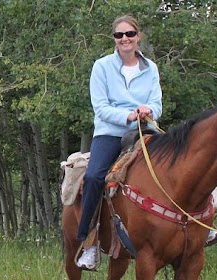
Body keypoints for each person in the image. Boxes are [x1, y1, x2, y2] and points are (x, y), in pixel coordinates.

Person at [75, 15, 163, 270]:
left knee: (182, 159)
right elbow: (100, 107)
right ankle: (88, 243)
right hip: (110, 132)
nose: (125, 39)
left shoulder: (151, 68)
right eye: (119, 35)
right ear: (114, 39)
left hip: (145, 130)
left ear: (138, 37)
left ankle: (196, 225)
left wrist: (149, 110)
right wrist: (127, 115)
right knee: (93, 177)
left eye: (130, 34)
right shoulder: (101, 67)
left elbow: (157, 103)